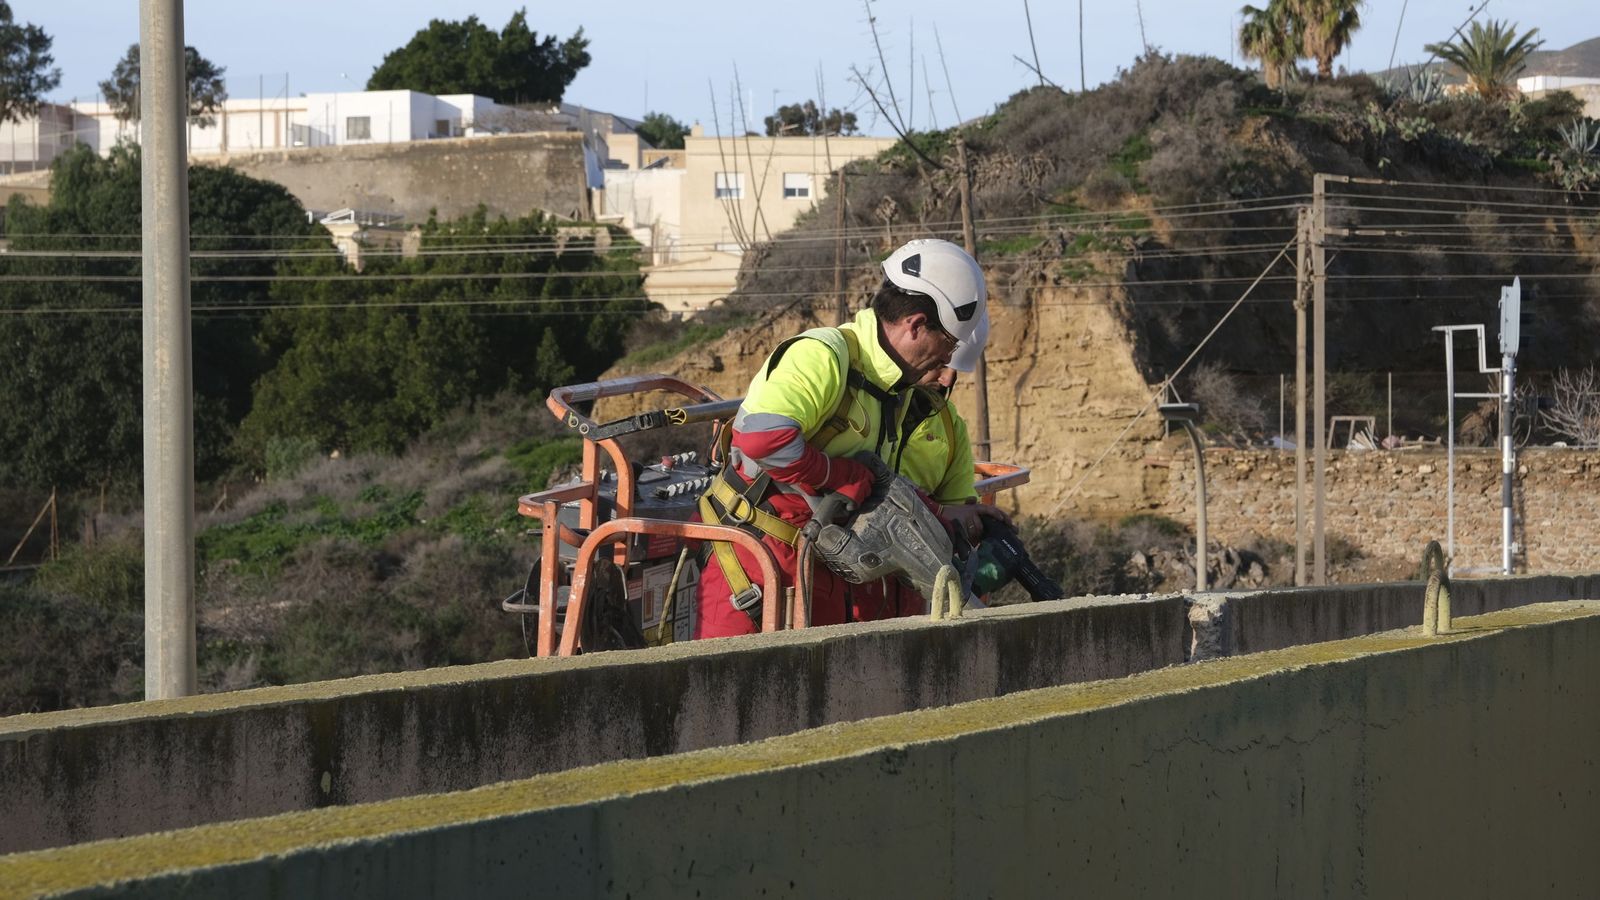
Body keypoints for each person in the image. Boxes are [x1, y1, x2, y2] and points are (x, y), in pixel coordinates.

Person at [695, 238, 989, 638]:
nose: (947, 360)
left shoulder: (892, 389)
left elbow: (879, 479)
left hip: (817, 559)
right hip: (757, 563)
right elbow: (761, 440)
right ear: (917, 325)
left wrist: (942, 516)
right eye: (948, 344)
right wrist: (835, 473)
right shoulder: (823, 355)